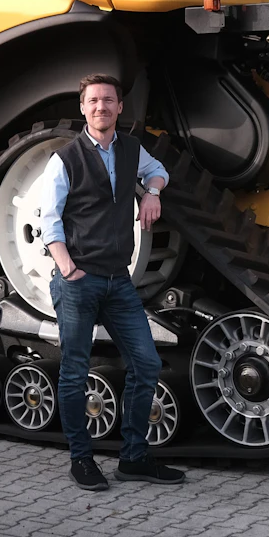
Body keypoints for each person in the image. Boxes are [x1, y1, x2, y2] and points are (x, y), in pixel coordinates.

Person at [39, 74, 185, 491]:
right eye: (93, 101)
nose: (101, 107)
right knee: (74, 372)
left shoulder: (131, 151)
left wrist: (152, 192)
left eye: (109, 100)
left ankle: (134, 458)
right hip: (79, 280)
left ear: (120, 108)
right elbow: (47, 220)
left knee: (147, 364)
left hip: (118, 280)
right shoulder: (64, 159)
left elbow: (157, 171)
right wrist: (67, 268)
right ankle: (81, 460)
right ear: (83, 109)